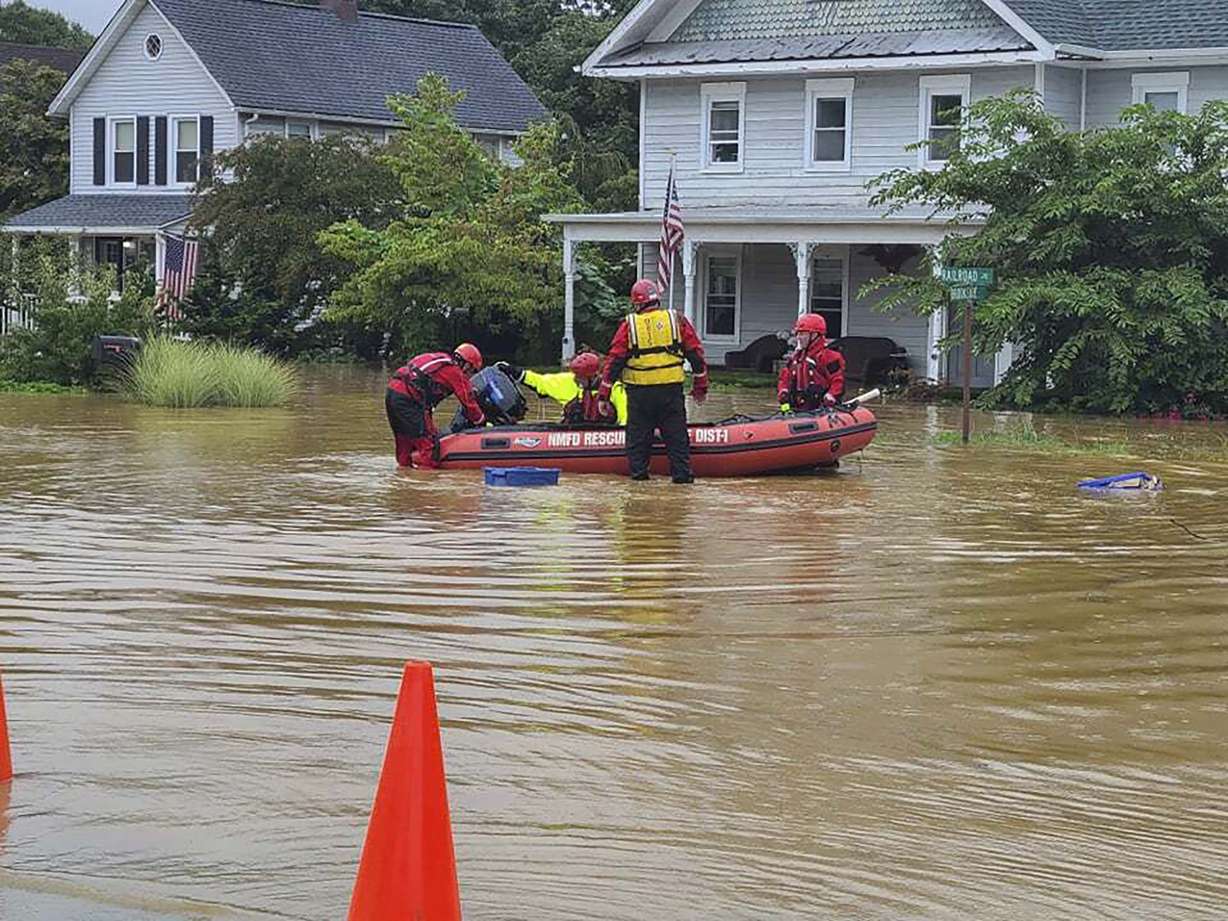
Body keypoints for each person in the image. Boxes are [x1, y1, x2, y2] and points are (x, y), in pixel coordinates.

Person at [598, 279, 708, 483]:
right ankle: (682, 479)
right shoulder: (677, 320)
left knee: (638, 441)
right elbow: (695, 355)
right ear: (656, 299)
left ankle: (639, 482)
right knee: (677, 439)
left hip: (640, 395)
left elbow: (615, 361)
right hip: (670, 392)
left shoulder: (629, 325)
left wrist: (604, 395)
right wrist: (700, 387)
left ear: (637, 303)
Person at [385, 343, 485, 468]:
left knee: (405, 445)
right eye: (472, 370)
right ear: (466, 364)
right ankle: (426, 484)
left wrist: (431, 430)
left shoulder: (440, 360)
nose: (470, 375)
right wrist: (480, 419)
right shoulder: (453, 370)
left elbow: (425, 404)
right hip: (408, 399)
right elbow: (467, 399)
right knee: (430, 450)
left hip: (393, 393)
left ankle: (404, 481)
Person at [497, 352, 628, 425]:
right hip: (572, 435)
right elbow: (540, 381)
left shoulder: (616, 390)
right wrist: (513, 371)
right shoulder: (569, 382)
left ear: (593, 376)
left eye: (580, 377)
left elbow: (625, 420)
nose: (576, 379)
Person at [778, 313, 846, 413]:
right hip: (797, 408)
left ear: (815, 335)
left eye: (803, 334)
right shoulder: (796, 358)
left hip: (821, 409)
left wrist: (831, 395)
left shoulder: (829, 357)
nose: (799, 338)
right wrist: (783, 391)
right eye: (798, 334)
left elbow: (838, 381)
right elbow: (784, 378)